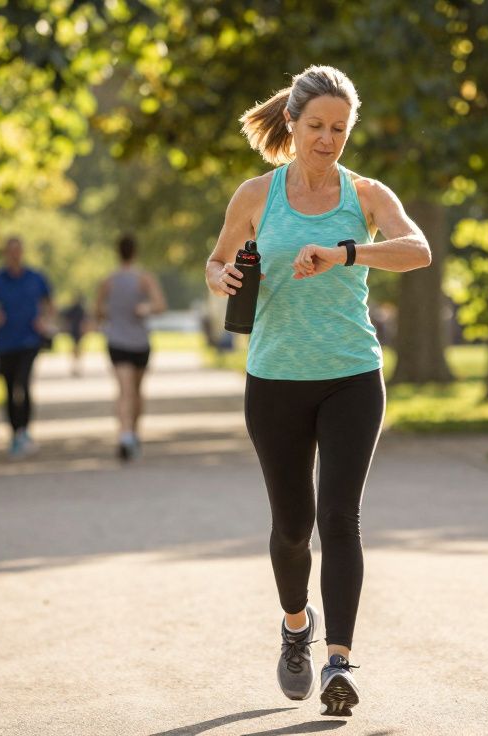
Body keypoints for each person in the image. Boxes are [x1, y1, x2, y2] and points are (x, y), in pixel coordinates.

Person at [205, 66, 431, 717]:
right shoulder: (256, 195)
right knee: (292, 529)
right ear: (292, 125)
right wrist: (221, 276)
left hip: (352, 377)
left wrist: (347, 253)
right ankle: (295, 628)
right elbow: (218, 258)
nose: (327, 139)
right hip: (274, 379)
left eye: (338, 128)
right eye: (315, 127)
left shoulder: (363, 195)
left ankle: (339, 663)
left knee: (339, 518)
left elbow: (416, 249)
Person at [96, 234, 166, 461]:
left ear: (118, 252)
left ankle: (128, 434)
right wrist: (144, 309)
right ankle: (129, 434)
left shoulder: (108, 281)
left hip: (119, 340)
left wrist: (112, 314)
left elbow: (97, 311)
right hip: (136, 342)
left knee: (126, 391)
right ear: (135, 252)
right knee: (133, 391)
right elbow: (160, 305)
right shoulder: (144, 278)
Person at [0, 237, 54, 456]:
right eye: (10, 251)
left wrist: (44, 321)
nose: (14, 255)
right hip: (5, 342)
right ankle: (14, 433)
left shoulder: (35, 277)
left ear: (22, 253)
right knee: (9, 387)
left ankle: (24, 431)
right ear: (6, 254)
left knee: (23, 384)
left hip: (29, 340)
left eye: (17, 251)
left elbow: (49, 304)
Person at [61, 294, 88, 377]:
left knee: (76, 349)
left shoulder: (78, 310)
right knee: (76, 349)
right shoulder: (78, 310)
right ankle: (75, 366)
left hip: (76, 331)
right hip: (76, 331)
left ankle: (76, 366)